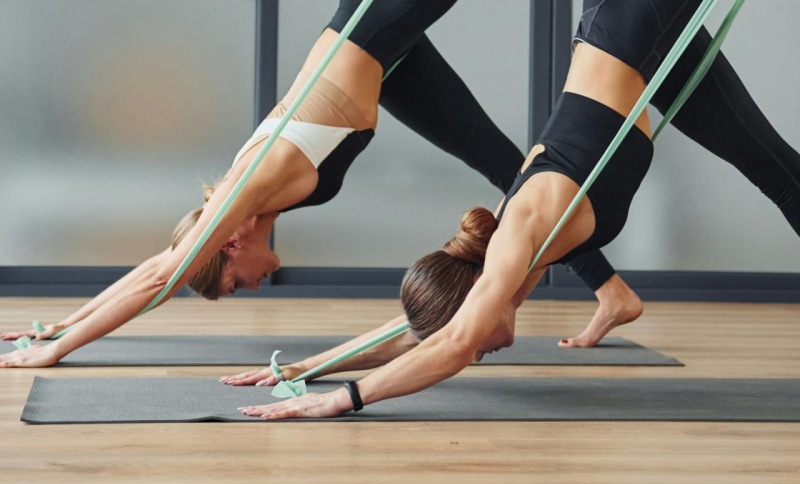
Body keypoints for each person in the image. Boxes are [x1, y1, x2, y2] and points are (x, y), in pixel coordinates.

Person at [1, 0, 645, 368]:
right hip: (387, 65)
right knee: (507, 168)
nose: (250, 285)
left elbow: (160, 276)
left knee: (508, 167)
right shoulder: (256, 195)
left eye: (232, 283)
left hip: (378, 28)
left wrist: (56, 350)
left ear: (226, 246)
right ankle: (611, 291)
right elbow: (159, 264)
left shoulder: (250, 184)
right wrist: (53, 326)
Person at [237, 0, 800, 419]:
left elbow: (454, 342)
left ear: (474, 302)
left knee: (784, 179)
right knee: (783, 175)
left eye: (475, 336)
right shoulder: (512, 264)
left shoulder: (514, 243)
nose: (479, 353)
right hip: (641, 46)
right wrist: (303, 369)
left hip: (631, 18)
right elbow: (419, 332)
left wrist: (339, 401)